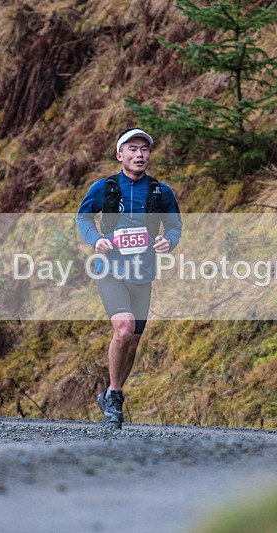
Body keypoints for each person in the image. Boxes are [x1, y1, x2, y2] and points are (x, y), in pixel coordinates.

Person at [76, 128, 182, 429]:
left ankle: (110, 392)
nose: (140, 154)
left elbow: (174, 227)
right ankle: (116, 396)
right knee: (122, 330)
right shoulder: (104, 187)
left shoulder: (161, 192)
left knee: (133, 342)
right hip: (110, 270)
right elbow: (83, 218)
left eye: (145, 149)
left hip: (143, 273)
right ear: (120, 155)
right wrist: (95, 239)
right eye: (133, 149)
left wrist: (168, 242)